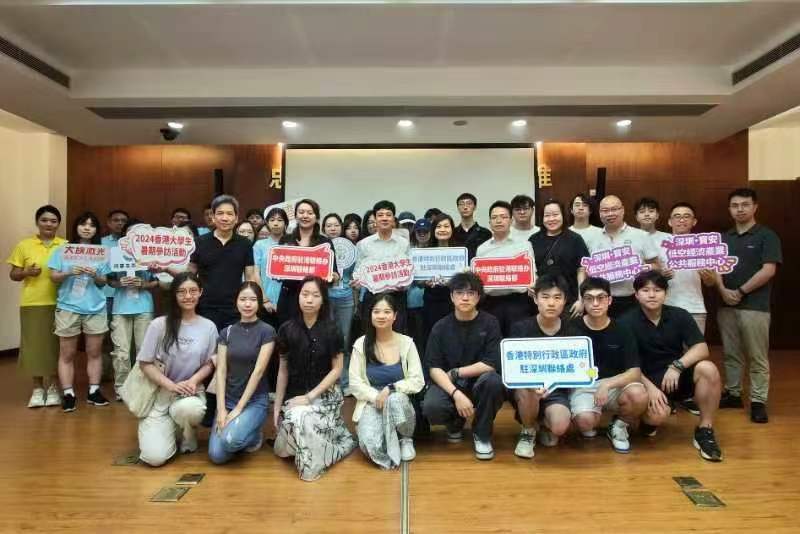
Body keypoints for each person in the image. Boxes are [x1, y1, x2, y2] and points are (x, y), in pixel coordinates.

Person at [620, 271, 723, 462]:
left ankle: (705, 429)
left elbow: (701, 348)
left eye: (657, 290)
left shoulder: (679, 315)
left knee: (708, 369)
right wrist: (650, 389)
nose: (652, 295)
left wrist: (677, 366)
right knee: (657, 416)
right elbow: (627, 364)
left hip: (675, 375)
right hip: (645, 379)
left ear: (666, 293)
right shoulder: (625, 322)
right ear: (636, 295)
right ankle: (648, 422)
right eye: (645, 290)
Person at [273, 277, 356, 481]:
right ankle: (326, 446)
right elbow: (283, 371)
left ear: (323, 300)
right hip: (295, 396)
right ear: (298, 297)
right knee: (287, 441)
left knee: (300, 418)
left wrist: (309, 397)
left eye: (315, 295)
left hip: (325, 397)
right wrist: (276, 407)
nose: (309, 300)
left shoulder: (332, 329)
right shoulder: (286, 329)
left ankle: (311, 467)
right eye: (305, 294)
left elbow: (337, 370)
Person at [713, 188, 782, 423]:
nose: (740, 209)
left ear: (755, 207)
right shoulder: (724, 238)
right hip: (726, 305)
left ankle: (758, 401)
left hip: (755, 306)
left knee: (757, 356)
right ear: (729, 209)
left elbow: (769, 270)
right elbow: (716, 269)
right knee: (731, 353)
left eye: (745, 204)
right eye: (735, 205)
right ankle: (733, 394)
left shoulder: (767, 236)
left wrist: (741, 291)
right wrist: (723, 291)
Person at [135, 272, 217, 467]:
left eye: (193, 291)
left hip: (190, 393)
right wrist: (171, 386)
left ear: (200, 292)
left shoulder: (209, 327)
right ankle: (166, 428)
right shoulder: (158, 325)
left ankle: (188, 431)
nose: (188, 296)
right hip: (160, 395)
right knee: (154, 458)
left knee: (190, 409)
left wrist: (194, 381)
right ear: (174, 294)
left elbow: (210, 363)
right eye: (181, 292)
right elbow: (145, 363)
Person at [423, 272, 505, 460]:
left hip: (479, 383)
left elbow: (492, 363)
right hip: (451, 385)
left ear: (479, 297)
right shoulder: (440, 327)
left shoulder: (490, 323)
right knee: (431, 406)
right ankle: (454, 423)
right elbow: (434, 367)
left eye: (471, 293)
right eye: (459, 293)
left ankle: (482, 434)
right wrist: (456, 394)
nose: (465, 298)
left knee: (494, 382)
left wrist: (457, 372)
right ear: (452, 296)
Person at [569, 277, 648, 453]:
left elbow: (635, 372)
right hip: (584, 386)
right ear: (583, 301)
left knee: (639, 395)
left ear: (610, 300)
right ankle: (590, 419)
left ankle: (619, 426)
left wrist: (607, 384)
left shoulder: (623, 329)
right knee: (585, 422)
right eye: (589, 298)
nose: (595, 303)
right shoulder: (571, 328)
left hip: (615, 385)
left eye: (601, 297)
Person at [349, 294, 424, 468]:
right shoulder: (361, 344)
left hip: (399, 399)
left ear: (395, 316)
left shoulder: (407, 343)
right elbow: (355, 383)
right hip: (373, 401)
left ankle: (405, 438)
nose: (381, 316)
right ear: (370, 315)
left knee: (395, 399)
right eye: (376, 312)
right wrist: (376, 396)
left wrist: (391, 388)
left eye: (387, 312)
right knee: (371, 446)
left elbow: (417, 380)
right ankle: (387, 438)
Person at [48, 212, 112, 412]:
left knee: (94, 352)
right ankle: (68, 393)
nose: (87, 228)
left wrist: (96, 275)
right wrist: (69, 272)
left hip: (95, 307)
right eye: (83, 224)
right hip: (68, 307)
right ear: (76, 227)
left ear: (96, 230)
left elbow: (104, 282)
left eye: (91, 225)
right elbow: (53, 277)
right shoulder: (63, 250)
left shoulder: (101, 252)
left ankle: (94, 391)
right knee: (67, 353)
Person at [509, 275, 577, 458]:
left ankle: (543, 424)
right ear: (535, 299)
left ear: (565, 300)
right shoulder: (520, 328)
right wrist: (532, 385)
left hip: (556, 390)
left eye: (557, 297)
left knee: (560, 427)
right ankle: (528, 431)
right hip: (527, 387)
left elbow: (578, 369)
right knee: (527, 390)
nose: (551, 303)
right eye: (545, 297)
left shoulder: (573, 331)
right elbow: (513, 369)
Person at [208, 282, 276, 464]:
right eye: (243, 299)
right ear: (236, 302)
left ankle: (253, 436)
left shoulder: (267, 331)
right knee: (217, 456)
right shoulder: (227, 332)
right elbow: (221, 371)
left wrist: (238, 409)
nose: (247, 304)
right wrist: (221, 409)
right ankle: (241, 432)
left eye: (252, 300)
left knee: (230, 441)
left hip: (254, 401)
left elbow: (258, 372)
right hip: (228, 400)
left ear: (259, 303)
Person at [7, 205, 67, 408]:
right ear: (37, 222)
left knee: (56, 347)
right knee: (33, 347)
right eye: (44, 220)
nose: (49, 224)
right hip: (32, 303)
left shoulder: (66, 245)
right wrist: (26, 272)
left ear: (58, 224)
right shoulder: (24, 245)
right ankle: (37, 388)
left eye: (53, 221)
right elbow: (13, 274)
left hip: (62, 302)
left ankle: (53, 387)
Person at [187, 195, 257, 331]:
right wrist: (165, 269)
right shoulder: (199, 242)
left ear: (236, 218)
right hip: (204, 308)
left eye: (229, 214)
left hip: (235, 309)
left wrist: (249, 305)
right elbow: (189, 275)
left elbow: (250, 279)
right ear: (213, 217)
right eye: (220, 213)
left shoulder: (245, 244)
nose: (225, 218)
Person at [107, 222, 158, 401]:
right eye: (130, 232)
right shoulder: (115, 253)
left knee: (144, 350)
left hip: (144, 307)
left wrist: (144, 284)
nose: (133, 235)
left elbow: (157, 281)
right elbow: (109, 280)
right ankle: (121, 388)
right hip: (120, 308)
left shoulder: (150, 253)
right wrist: (118, 283)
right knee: (121, 352)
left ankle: (141, 388)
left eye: (137, 232)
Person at [590, 195, 661, 317]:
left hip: (633, 298)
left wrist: (641, 268)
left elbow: (657, 267)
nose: (610, 214)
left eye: (614, 209)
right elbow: (586, 269)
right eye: (605, 210)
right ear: (600, 213)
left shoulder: (641, 236)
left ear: (622, 210)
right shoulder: (592, 238)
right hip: (600, 300)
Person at [475, 200, 537, 336]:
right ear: (489, 222)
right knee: (492, 340)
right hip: (490, 304)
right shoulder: (482, 249)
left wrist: (534, 285)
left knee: (518, 340)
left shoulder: (524, 245)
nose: (498, 221)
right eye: (494, 217)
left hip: (518, 303)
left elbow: (532, 274)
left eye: (503, 217)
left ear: (511, 220)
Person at [276, 199, 339, 325]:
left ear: (316, 218)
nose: (305, 216)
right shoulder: (286, 240)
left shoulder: (325, 243)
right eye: (301, 212)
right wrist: (276, 272)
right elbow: (278, 268)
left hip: (314, 298)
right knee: (287, 332)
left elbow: (335, 273)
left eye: (310, 213)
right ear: (295, 216)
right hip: (289, 297)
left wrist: (333, 277)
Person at [353, 200, 411, 333]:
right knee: (371, 336)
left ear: (393, 219)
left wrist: (404, 284)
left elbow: (409, 271)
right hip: (372, 297)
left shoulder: (403, 243)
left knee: (397, 336)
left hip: (397, 297)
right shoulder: (364, 244)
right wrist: (357, 281)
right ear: (375, 219)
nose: (384, 218)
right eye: (380, 215)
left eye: (388, 215)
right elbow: (358, 271)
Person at [529, 199, 588, 315]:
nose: (551, 219)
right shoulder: (533, 239)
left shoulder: (575, 239)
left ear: (563, 215)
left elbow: (581, 270)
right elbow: (529, 269)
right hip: (541, 301)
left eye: (555, 214)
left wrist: (581, 299)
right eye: (547, 215)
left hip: (569, 301)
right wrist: (530, 285)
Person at [322, 212, 357, 393]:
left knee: (344, 339)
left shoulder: (350, 248)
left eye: (336, 225)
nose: (333, 228)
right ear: (323, 229)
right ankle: (326, 382)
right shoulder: (319, 247)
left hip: (346, 297)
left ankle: (344, 381)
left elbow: (357, 273)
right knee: (325, 338)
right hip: (325, 297)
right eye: (329, 226)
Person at [664, 202, 711, 333]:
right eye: (677, 216)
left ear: (694, 221)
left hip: (695, 308)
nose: (682, 220)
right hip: (666, 308)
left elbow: (710, 282)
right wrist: (662, 275)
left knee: (696, 346)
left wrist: (708, 277)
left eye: (686, 216)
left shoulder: (704, 247)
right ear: (670, 221)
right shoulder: (660, 245)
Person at [422, 213, 458, 346]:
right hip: (431, 300)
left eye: (446, 226)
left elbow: (465, 280)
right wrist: (424, 282)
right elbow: (418, 281)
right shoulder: (424, 253)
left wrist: (453, 282)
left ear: (452, 229)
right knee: (433, 338)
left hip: (453, 301)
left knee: (452, 338)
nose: (442, 229)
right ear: (433, 230)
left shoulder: (460, 251)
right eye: (438, 226)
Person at [252, 206, 288, 324]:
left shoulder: (292, 244)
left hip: (287, 300)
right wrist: (265, 299)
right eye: (272, 220)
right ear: (267, 223)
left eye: (280, 220)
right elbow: (256, 273)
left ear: (286, 223)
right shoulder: (259, 245)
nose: (276, 223)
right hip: (265, 301)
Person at [453, 192, 491, 260]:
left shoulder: (485, 233)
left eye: (469, 203)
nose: (465, 207)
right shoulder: (452, 233)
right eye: (461, 204)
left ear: (475, 207)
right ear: (458, 208)